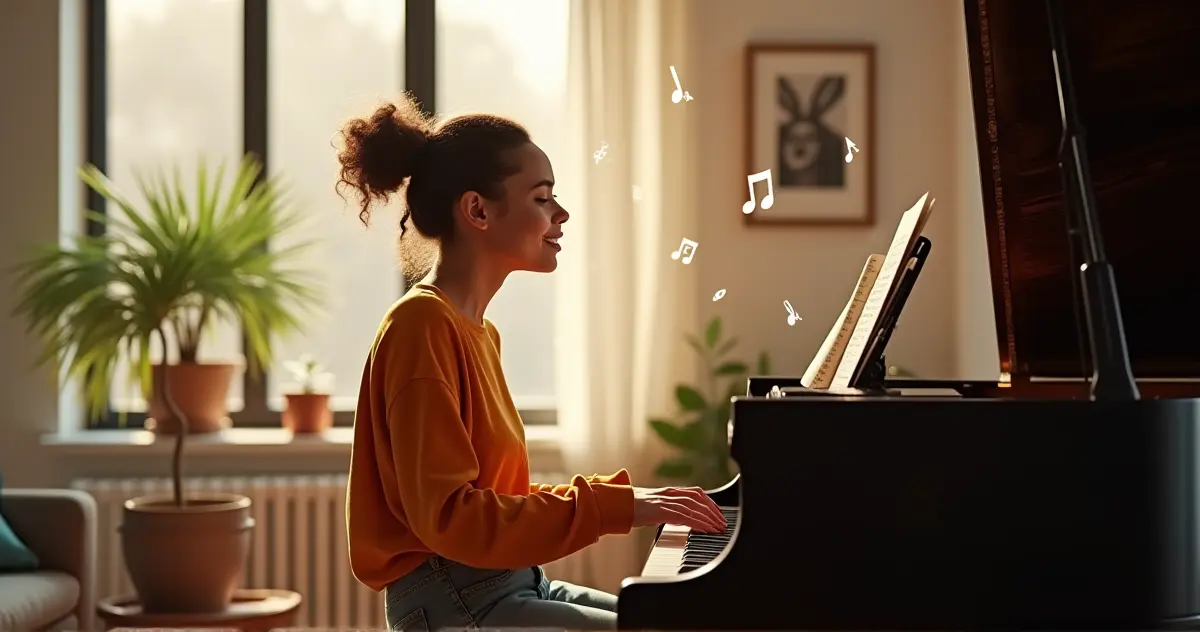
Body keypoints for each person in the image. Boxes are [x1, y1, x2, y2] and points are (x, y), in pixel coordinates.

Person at [337, 95, 728, 632]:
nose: (561, 214)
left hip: (506, 582)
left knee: (678, 621)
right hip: (458, 599)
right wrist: (621, 508)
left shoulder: (475, 331)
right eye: (542, 198)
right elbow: (453, 518)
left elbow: (498, 501)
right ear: (477, 210)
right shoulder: (421, 327)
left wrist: (630, 500)